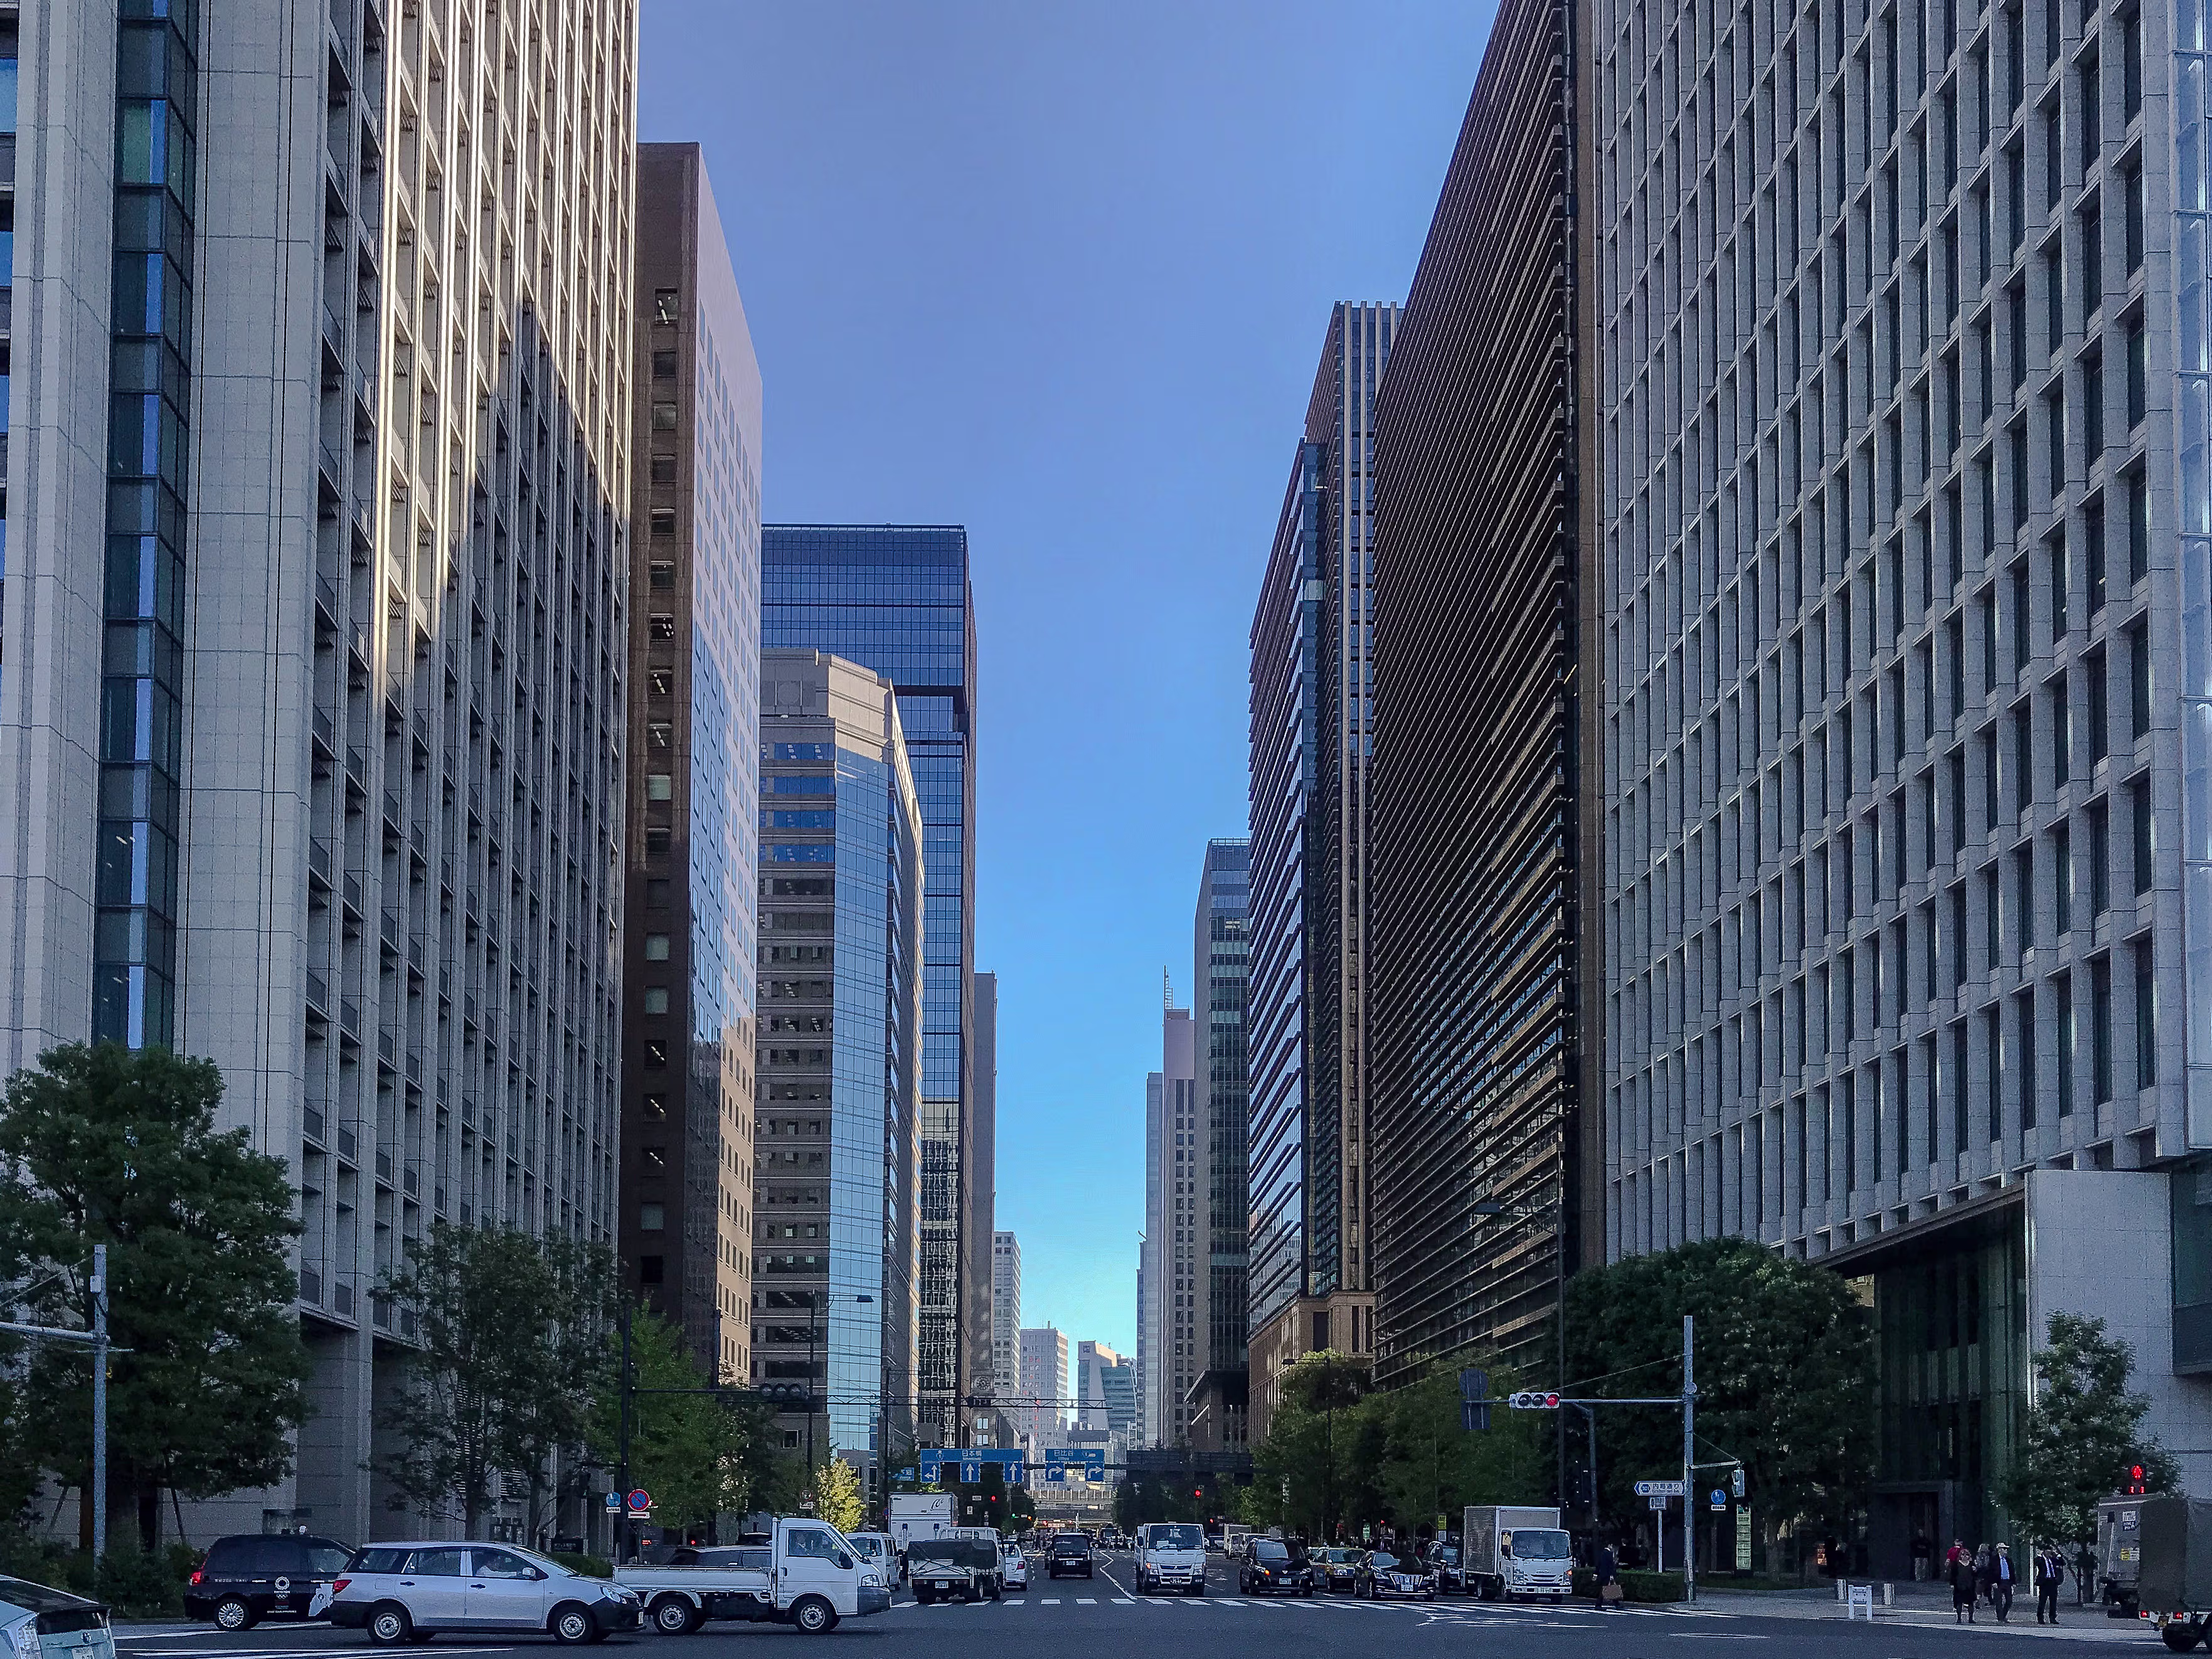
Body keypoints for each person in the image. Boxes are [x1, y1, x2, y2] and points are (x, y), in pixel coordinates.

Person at [2035, 1544, 2066, 1625]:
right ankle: (2040, 1618)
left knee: (2053, 1601)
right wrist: (2039, 1556)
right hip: (2044, 1582)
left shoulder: (2053, 1560)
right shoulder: (2041, 1559)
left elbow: (2063, 1563)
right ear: (2045, 1551)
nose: (2050, 1552)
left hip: (2053, 1581)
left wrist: (2058, 1555)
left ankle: (2052, 1618)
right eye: (2048, 1551)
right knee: (2042, 1601)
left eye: (2051, 1551)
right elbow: (2036, 1563)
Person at [1949, 1541, 1977, 1623]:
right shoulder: (1956, 1564)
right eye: (1963, 1555)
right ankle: (1959, 1618)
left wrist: (1975, 1571)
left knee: (1971, 1603)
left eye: (1967, 1555)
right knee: (1959, 1603)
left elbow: (1976, 1575)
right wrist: (1952, 1584)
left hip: (1970, 1586)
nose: (1965, 1556)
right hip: (1959, 1586)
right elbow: (1953, 1575)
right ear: (1960, 1556)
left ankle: (1971, 1618)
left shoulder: (1972, 1564)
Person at [1991, 1543, 2016, 1621]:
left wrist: (2013, 1582)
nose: (2006, 1551)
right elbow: (1990, 1572)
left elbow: (2012, 1571)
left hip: (2007, 1581)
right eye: (2004, 1549)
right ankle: (2000, 1618)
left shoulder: (2008, 1560)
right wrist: (1993, 1582)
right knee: (1999, 1601)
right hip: (1999, 1582)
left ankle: (2003, 1615)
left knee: (2009, 1600)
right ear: (1999, 1550)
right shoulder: (1994, 1560)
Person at [1593, 1542, 1620, 1611]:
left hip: (1602, 1574)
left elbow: (1598, 1564)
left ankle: (1617, 1603)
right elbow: (1610, 1566)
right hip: (1607, 1574)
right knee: (1606, 1589)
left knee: (1610, 1588)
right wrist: (1612, 1575)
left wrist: (1596, 1574)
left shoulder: (1602, 1553)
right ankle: (1598, 1604)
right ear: (1609, 1545)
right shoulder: (1609, 1554)